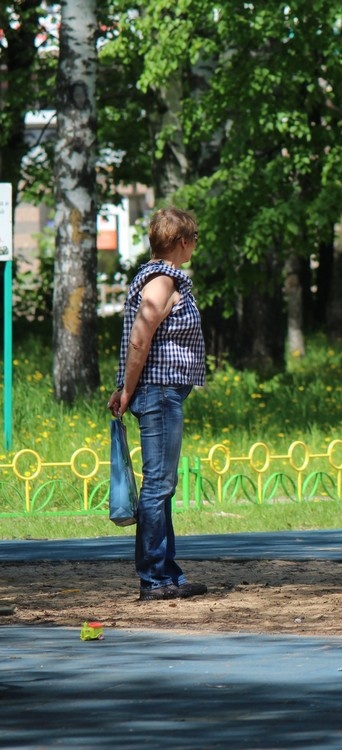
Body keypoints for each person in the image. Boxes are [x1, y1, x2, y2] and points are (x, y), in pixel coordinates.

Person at [107, 208, 209, 602]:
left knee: (161, 486)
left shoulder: (159, 278)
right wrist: (128, 390)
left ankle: (168, 573)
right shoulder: (161, 280)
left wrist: (126, 386)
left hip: (158, 390)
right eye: (194, 237)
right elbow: (139, 340)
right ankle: (154, 578)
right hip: (159, 391)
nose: (195, 244)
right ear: (181, 241)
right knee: (158, 486)